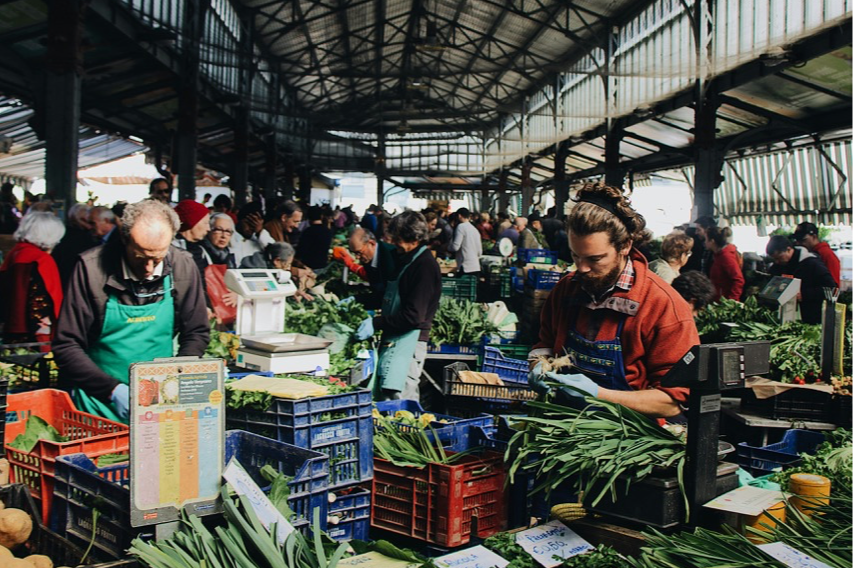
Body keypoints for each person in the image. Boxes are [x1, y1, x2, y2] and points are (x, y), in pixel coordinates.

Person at [528, 182, 697, 419]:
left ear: (625, 246)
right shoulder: (566, 289)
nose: (582, 268)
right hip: (566, 425)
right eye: (575, 256)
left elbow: (672, 401)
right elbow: (544, 343)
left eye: (595, 259)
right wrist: (538, 366)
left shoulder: (663, 305)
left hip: (629, 440)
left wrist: (600, 395)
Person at [52, 199, 209, 423]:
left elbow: (197, 333)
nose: (148, 268)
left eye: (157, 258)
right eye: (141, 257)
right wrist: (113, 390)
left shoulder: (183, 265)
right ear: (125, 239)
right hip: (98, 404)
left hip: (160, 402)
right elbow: (66, 345)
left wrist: (175, 377)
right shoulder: (90, 269)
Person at [354, 211, 441, 401]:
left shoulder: (424, 266)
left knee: (401, 400)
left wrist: (376, 323)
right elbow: (390, 295)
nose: (394, 243)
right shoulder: (408, 260)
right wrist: (358, 301)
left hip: (410, 341)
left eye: (398, 239)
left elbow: (414, 316)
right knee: (388, 397)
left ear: (412, 237)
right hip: (396, 337)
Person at [0, 212, 65, 344]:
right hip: (34, 337)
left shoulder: (14, 254)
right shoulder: (41, 260)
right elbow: (42, 307)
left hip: (11, 331)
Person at [766, 235, 836, 324]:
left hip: (812, 318)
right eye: (774, 259)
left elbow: (833, 290)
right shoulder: (777, 267)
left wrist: (804, 294)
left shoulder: (812, 264)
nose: (777, 262)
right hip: (785, 319)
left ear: (788, 249)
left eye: (779, 257)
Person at [332, 227, 397, 310]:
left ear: (371, 243)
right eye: (354, 253)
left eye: (359, 252)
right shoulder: (368, 258)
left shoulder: (390, 256)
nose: (357, 257)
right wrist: (356, 299)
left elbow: (388, 294)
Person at [241, 241, 314, 302]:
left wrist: (293, 291)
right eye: (288, 264)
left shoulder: (270, 267)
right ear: (277, 261)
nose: (288, 268)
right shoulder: (255, 271)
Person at [52, 203, 97, 288]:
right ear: (74, 219)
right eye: (84, 220)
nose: (89, 226)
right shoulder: (67, 236)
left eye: (90, 221)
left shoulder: (91, 236)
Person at [172, 199, 212, 279]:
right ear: (191, 222)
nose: (208, 229)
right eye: (205, 223)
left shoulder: (202, 251)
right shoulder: (172, 251)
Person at [793, 222, 840, 287]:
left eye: (803, 240)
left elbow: (834, 286)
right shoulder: (806, 254)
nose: (799, 243)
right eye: (797, 240)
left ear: (814, 237)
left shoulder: (826, 254)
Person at [705, 226, 744, 301]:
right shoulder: (718, 255)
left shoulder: (726, 257)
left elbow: (738, 279)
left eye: (706, 240)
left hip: (724, 300)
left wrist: (731, 300)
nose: (705, 242)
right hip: (719, 298)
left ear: (712, 241)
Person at [230, 202, 275, 266]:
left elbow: (276, 252)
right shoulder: (229, 237)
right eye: (248, 223)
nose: (251, 227)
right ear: (240, 220)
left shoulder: (260, 241)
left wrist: (260, 231)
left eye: (254, 225)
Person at [296, 205, 334, 270]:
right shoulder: (328, 231)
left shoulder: (307, 231)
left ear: (308, 217)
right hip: (322, 264)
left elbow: (301, 250)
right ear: (321, 216)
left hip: (308, 266)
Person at [447, 207, 483, 275]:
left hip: (465, 266)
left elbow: (455, 247)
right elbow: (480, 252)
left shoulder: (461, 227)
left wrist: (448, 247)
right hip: (475, 266)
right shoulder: (475, 230)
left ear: (459, 216)